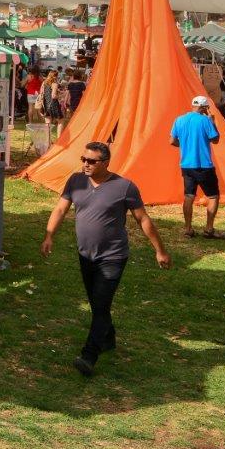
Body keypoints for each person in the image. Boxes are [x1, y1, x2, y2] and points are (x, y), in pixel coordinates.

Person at [41, 141, 170, 377]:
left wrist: (159, 250)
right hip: (85, 254)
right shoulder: (76, 181)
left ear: (106, 162)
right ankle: (108, 337)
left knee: (100, 304)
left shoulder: (124, 187)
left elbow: (142, 219)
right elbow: (60, 209)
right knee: (97, 302)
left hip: (113, 256)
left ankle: (89, 356)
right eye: (83, 159)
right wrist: (49, 235)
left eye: (91, 161)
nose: (85, 164)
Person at [170, 95, 224, 239]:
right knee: (213, 196)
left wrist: (185, 145)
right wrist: (212, 121)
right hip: (204, 165)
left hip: (186, 165)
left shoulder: (179, 120)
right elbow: (216, 139)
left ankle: (188, 229)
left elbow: (172, 141)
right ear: (205, 108)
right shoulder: (205, 120)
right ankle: (209, 229)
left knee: (189, 196)